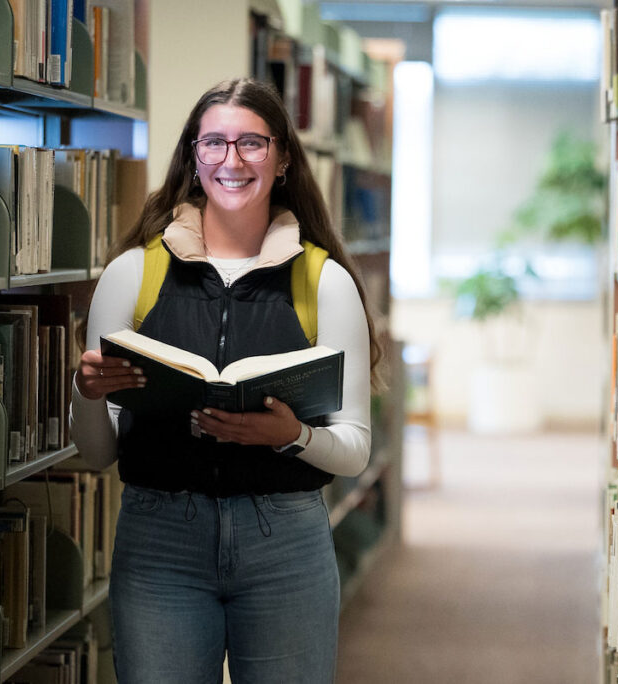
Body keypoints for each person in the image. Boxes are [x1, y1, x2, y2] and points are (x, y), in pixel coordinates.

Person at [69, 78, 381, 684]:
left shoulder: (325, 283)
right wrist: (87, 396)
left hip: (285, 541)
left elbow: (355, 448)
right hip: (160, 540)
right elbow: (97, 452)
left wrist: (291, 436)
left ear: (284, 157)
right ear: (192, 156)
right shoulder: (133, 274)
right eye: (212, 143)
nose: (231, 161)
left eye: (251, 144)